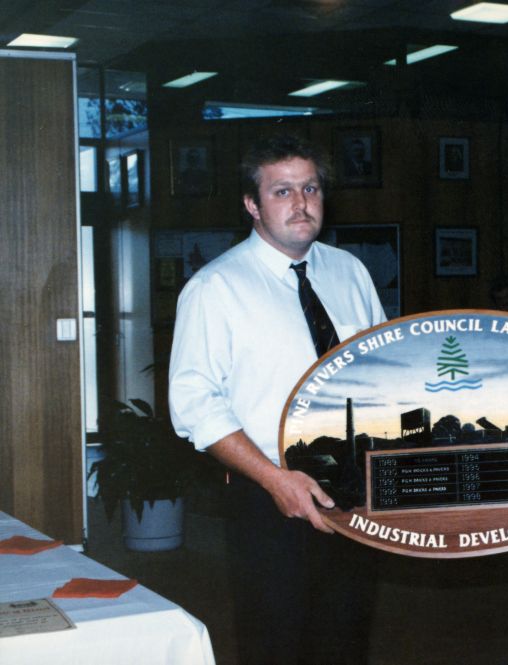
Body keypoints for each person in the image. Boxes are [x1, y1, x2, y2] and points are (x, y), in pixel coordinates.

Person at [169, 134, 386, 664]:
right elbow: (194, 404)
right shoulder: (216, 287)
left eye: (310, 188)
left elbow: (382, 370)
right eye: (282, 191)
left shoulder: (349, 272)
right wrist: (274, 480)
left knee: (345, 642)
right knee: (276, 645)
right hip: (268, 497)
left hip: (354, 494)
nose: (301, 203)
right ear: (251, 204)